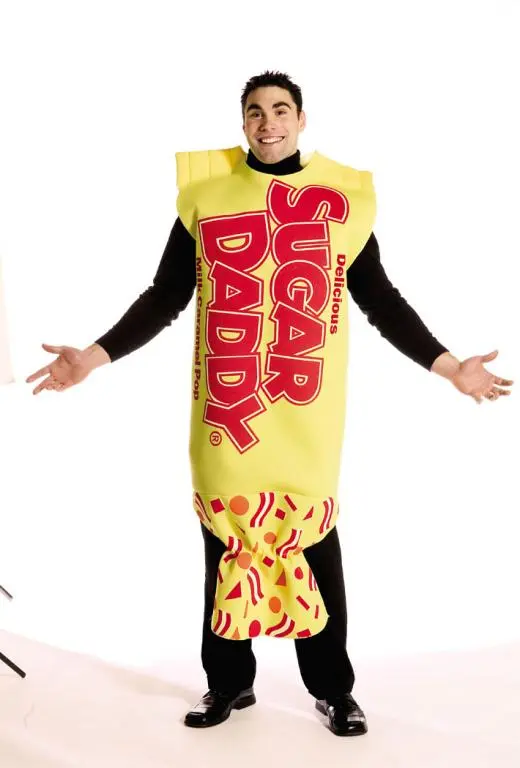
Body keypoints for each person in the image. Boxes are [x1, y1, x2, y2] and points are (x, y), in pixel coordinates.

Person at [26, 71, 513, 737]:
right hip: (228, 405)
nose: (268, 122)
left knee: (314, 544)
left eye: (281, 110)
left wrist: (450, 365)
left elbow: (380, 299)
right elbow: (165, 296)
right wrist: (91, 356)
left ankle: (334, 690)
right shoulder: (207, 198)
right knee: (226, 543)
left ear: (302, 120)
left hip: (305, 410)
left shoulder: (343, 201)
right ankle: (229, 683)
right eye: (255, 112)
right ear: (243, 123)